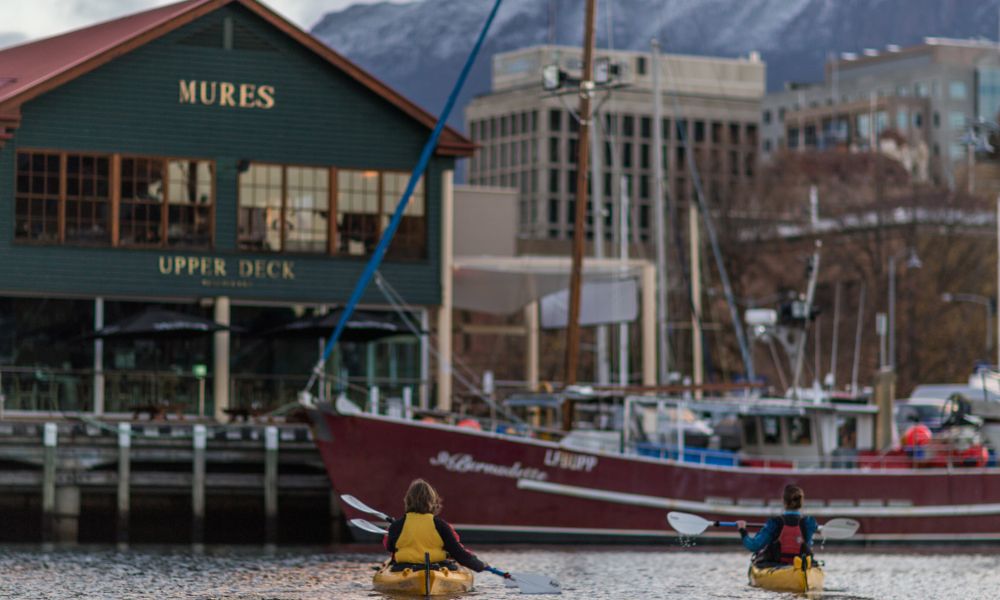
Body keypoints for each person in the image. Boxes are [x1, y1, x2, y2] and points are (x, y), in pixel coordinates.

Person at [384, 479, 491, 574]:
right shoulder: (440, 525)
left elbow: (390, 547)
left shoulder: (396, 526)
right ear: (432, 501)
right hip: (437, 568)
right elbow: (458, 553)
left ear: (407, 500)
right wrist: (479, 565)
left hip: (404, 568)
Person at [736, 484, 817, 566]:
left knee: (759, 554)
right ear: (801, 502)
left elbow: (753, 546)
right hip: (802, 565)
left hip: (776, 564)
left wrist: (742, 530)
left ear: (784, 501)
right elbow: (809, 543)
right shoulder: (810, 522)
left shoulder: (774, 522)